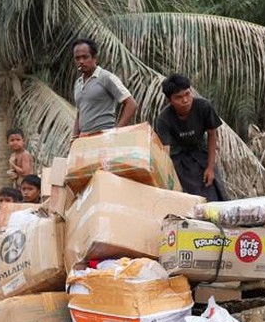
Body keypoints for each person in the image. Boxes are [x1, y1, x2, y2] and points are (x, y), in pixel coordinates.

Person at [153, 73, 228, 201]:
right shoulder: (164, 119)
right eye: (179, 97)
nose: (185, 100)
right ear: (170, 100)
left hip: (201, 152)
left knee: (213, 190)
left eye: (188, 94)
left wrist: (210, 168)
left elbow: (212, 134)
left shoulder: (204, 107)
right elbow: (165, 152)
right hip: (178, 158)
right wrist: (167, 178)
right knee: (187, 197)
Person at [71, 39, 137, 138]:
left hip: (104, 137)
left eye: (85, 57)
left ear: (95, 58)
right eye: (77, 58)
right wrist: (74, 137)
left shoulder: (106, 77)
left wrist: (116, 132)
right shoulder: (78, 83)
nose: (81, 61)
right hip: (84, 139)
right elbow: (79, 113)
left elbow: (131, 104)